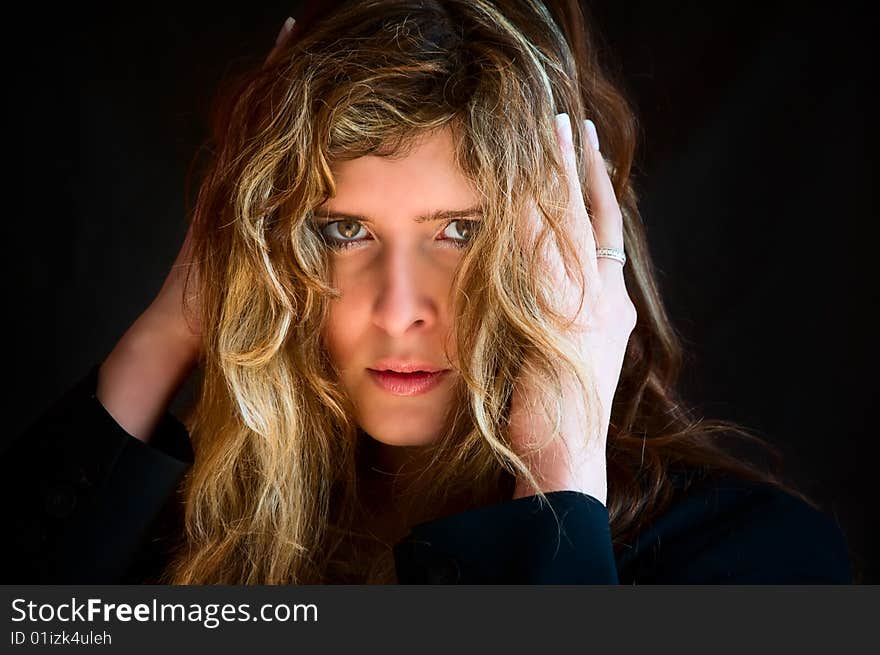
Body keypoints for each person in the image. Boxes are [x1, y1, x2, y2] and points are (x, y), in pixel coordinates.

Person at [1, 0, 853, 585]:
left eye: (462, 231)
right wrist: (175, 319)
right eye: (344, 230)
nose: (400, 306)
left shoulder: (757, 556)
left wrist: (558, 470)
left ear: (579, 247)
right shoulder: (180, 543)